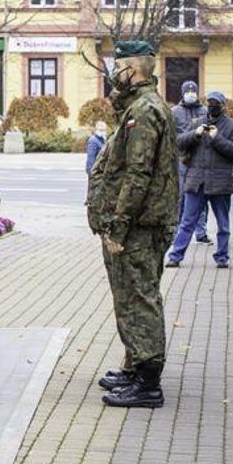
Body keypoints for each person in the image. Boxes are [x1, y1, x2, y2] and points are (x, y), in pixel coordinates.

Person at [85, 41, 178, 408]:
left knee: (140, 298)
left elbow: (138, 175)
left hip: (139, 225)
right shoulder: (137, 107)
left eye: (118, 65)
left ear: (133, 69)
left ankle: (148, 381)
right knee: (129, 297)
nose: (113, 72)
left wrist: (118, 228)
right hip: (136, 223)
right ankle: (135, 365)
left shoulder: (145, 110)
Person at [166, 91, 233, 269]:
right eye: (209, 102)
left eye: (215, 103)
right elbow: (178, 142)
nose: (212, 106)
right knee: (187, 222)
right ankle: (175, 256)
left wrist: (216, 138)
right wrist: (195, 133)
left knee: (223, 225)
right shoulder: (197, 122)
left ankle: (222, 257)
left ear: (223, 105)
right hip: (197, 181)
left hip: (220, 183)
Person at [171, 80, 211, 245]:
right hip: (181, 158)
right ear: (182, 93)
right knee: (181, 195)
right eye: (187, 91)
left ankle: (201, 232)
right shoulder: (175, 111)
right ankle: (178, 231)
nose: (190, 93)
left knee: (201, 196)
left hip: (200, 159)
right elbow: (171, 135)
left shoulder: (204, 111)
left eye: (193, 91)